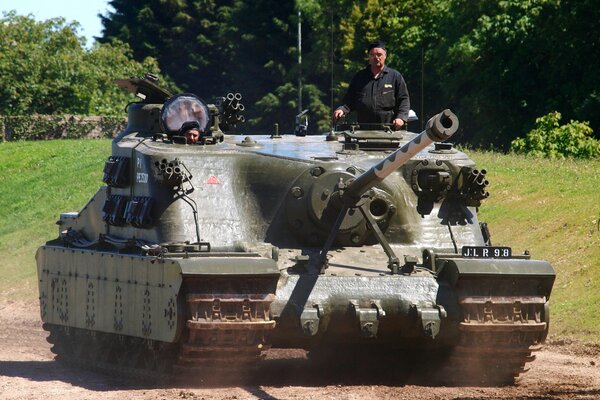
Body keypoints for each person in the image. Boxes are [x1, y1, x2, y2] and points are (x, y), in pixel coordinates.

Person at [333, 41, 410, 130]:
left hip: (389, 130)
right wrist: (342, 109)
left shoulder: (395, 77)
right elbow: (349, 100)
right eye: (372, 55)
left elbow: (404, 100)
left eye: (379, 54)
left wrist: (401, 118)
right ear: (368, 57)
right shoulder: (359, 77)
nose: (376, 57)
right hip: (363, 130)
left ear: (385, 56)